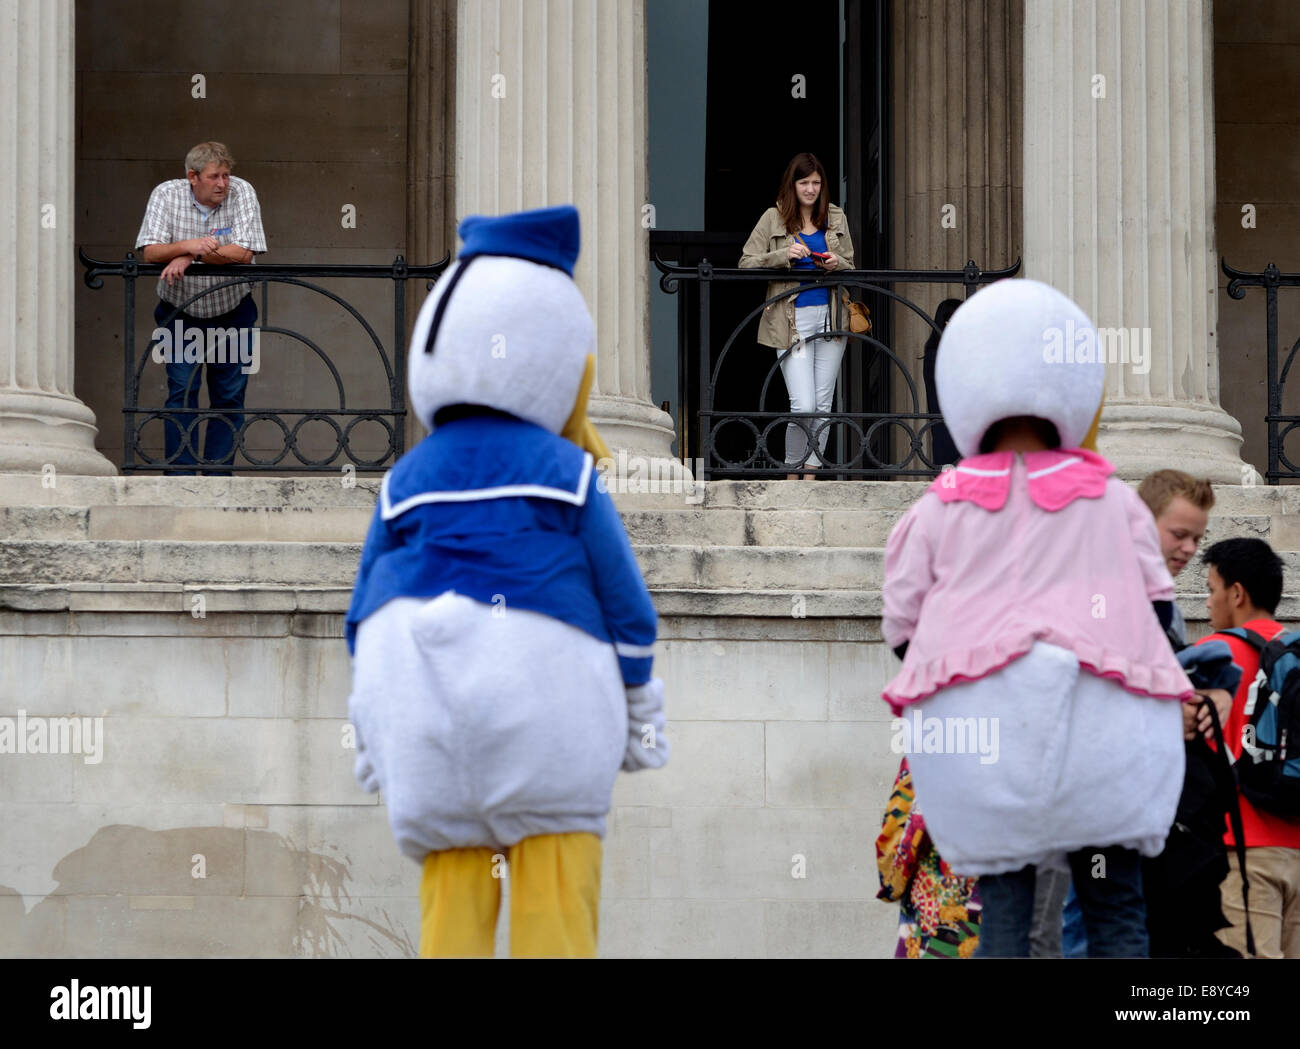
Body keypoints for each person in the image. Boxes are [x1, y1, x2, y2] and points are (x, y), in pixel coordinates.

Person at [345, 206, 669, 958]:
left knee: (450, 919)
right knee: (556, 916)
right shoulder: (568, 473)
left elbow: (363, 611)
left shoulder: (405, 478)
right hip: (547, 725)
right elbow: (625, 603)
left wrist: (372, 724)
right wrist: (640, 704)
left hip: (430, 723)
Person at [881, 278, 1192, 958]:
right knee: (1115, 911)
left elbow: (902, 627)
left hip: (991, 749)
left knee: (1006, 918)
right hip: (1101, 748)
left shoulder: (938, 507)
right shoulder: (1113, 502)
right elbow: (1160, 612)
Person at [1193, 537, 1300, 958]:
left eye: (1210, 589)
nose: (1206, 602)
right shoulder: (1295, 653)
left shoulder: (1209, 657)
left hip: (1242, 850)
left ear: (1236, 593)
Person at [135, 141, 266, 473]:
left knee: (230, 395)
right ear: (192, 177)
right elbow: (150, 252)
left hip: (233, 310)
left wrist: (188, 255)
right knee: (181, 392)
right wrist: (188, 245)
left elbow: (245, 253)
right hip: (179, 311)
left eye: (226, 175)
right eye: (214, 177)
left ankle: (217, 476)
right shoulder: (166, 194)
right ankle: (180, 476)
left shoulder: (242, 191)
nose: (223, 183)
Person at [740, 152, 855, 479]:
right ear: (792, 184)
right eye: (804, 182)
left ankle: (810, 476)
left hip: (831, 318)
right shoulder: (772, 218)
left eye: (816, 183)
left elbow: (852, 264)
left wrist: (836, 263)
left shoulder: (835, 217)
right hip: (790, 321)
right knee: (802, 406)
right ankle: (792, 473)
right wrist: (782, 255)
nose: (811, 189)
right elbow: (746, 262)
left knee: (822, 406)